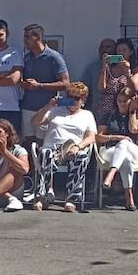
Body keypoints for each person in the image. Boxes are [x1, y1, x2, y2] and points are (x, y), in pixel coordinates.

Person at [30, 81, 96, 212]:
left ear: (83, 99)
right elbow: (35, 122)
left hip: (72, 149)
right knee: (45, 154)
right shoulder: (55, 111)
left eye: (76, 98)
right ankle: (42, 196)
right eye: (69, 97)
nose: (72, 101)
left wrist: (78, 146)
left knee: (82, 157)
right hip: (52, 148)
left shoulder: (87, 115)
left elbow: (91, 137)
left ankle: (72, 199)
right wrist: (49, 106)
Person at [97, 89, 138, 211]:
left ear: (131, 101)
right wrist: (116, 137)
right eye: (119, 101)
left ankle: (111, 173)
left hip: (134, 150)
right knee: (126, 159)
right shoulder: (109, 116)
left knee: (124, 144)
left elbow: (134, 129)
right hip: (111, 150)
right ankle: (129, 196)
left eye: (125, 101)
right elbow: (98, 137)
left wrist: (132, 111)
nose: (122, 104)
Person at [19, 24, 69, 145]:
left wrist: (40, 86)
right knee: (28, 143)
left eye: (27, 37)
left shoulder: (54, 57)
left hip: (46, 109)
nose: (24, 40)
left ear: (37, 37)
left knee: (43, 143)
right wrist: (23, 84)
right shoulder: (26, 58)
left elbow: (65, 84)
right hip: (27, 107)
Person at [94, 43, 138, 123]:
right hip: (107, 108)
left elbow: (133, 89)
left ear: (131, 52)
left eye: (124, 50)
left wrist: (127, 73)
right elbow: (101, 88)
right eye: (119, 50)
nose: (121, 53)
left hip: (124, 108)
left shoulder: (135, 71)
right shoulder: (110, 69)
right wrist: (104, 67)